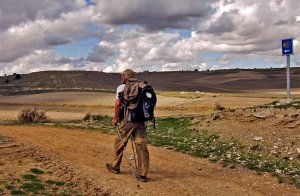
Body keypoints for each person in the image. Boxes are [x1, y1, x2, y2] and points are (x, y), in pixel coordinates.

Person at [106, 69, 150, 182]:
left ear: (126, 77)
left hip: (129, 119)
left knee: (119, 141)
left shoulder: (122, 87)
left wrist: (116, 118)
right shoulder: (142, 86)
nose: (121, 77)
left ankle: (115, 166)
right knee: (141, 144)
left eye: (122, 76)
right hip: (141, 121)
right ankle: (142, 174)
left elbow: (117, 104)